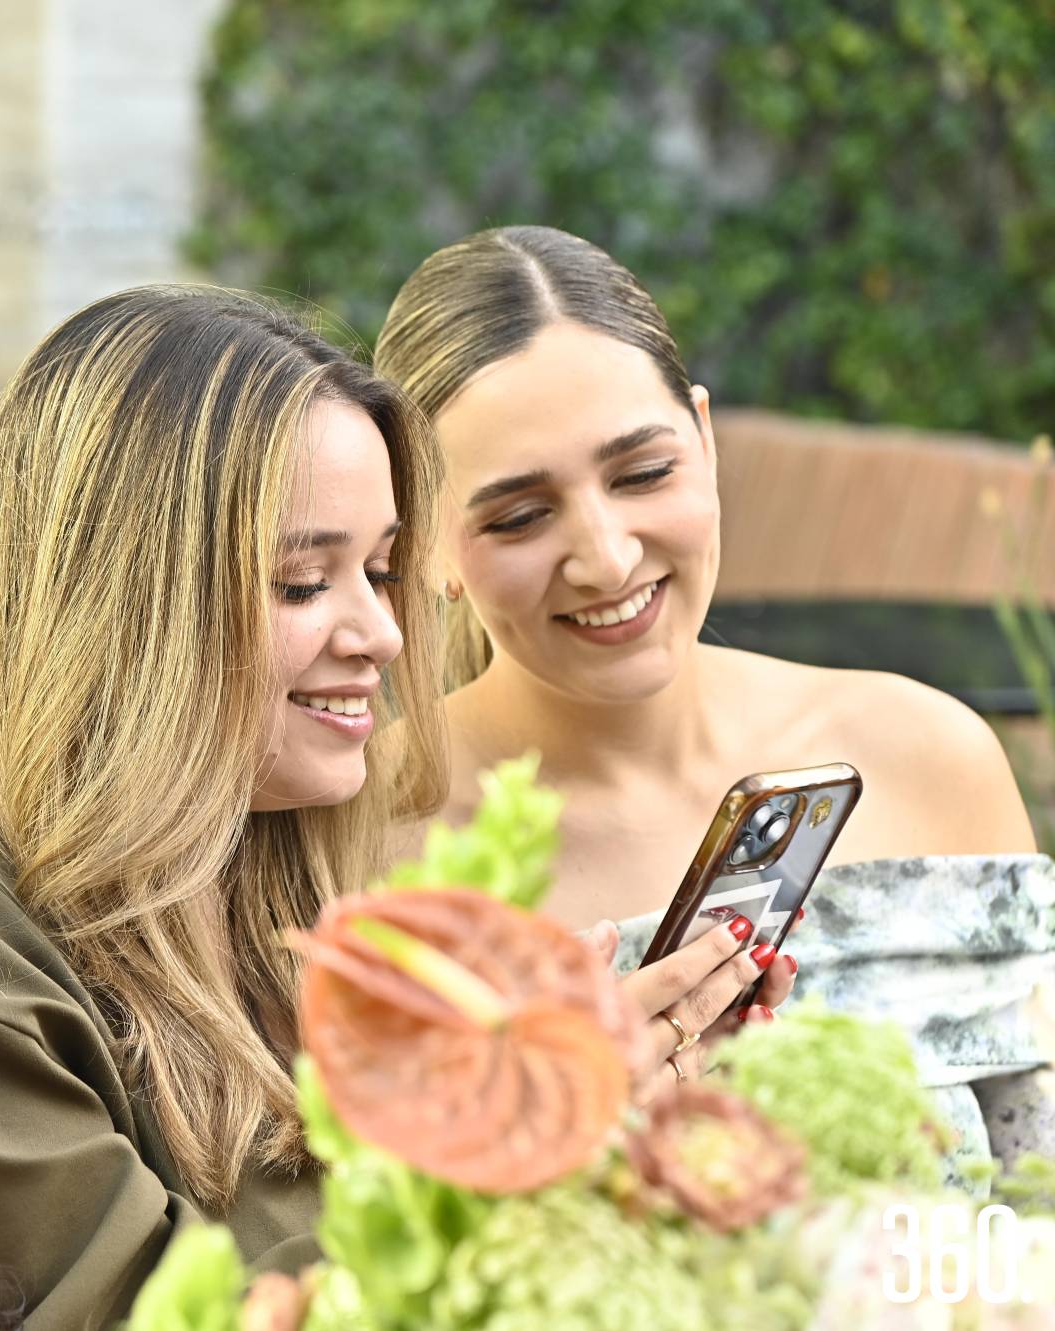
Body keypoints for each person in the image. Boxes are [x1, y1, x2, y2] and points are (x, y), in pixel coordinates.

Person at [0, 284, 783, 1328]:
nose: (381, 634)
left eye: (383, 569)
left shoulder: (285, 878)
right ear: (125, 600)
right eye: (302, 582)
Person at [373, 224, 1049, 1170]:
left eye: (644, 473)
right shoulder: (361, 842)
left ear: (705, 436)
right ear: (423, 541)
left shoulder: (929, 756)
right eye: (521, 515)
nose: (606, 556)